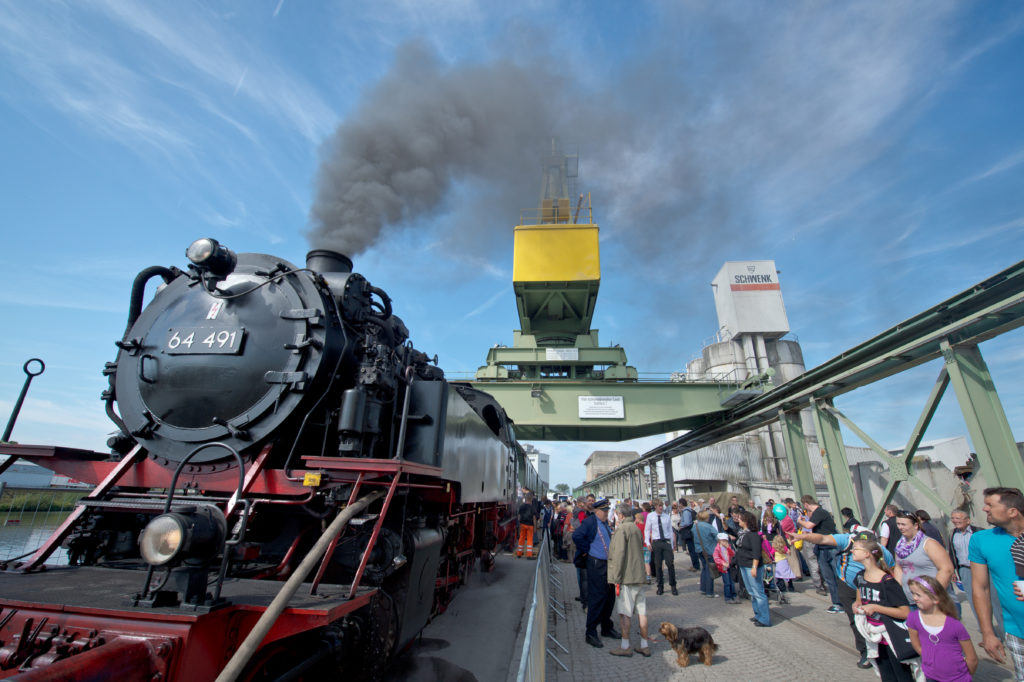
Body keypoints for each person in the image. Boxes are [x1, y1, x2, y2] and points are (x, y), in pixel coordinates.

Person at [792, 526, 899, 669]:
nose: (854, 549)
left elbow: (892, 570)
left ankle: (888, 650)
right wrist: (803, 537)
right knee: (856, 620)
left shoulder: (882, 552)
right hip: (848, 585)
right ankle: (865, 652)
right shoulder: (848, 540)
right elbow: (823, 538)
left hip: (872, 586)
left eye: (858, 547)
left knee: (878, 619)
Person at [969, 486, 1024, 679]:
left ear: (1012, 512)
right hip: (1016, 630)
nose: (984, 509)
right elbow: (980, 588)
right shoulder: (980, 540)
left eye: (990, 505)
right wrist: (988, 632)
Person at [852, 538, 913, 682]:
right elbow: (859, 600)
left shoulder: (887, 581)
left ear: (867, 554)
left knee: (902, 676)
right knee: (886, 675)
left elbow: (905, 612)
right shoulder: (860, 577)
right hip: (873, 635)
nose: (852, 551)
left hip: (891, 635)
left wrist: (876, 607)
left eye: (855, 548)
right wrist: (856, 605)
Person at [906, 575, 978, 682]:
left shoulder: (954, 624)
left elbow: (972, 658)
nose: (914, 598)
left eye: (918, 595)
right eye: (912, 593)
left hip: (958, 678)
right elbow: (916, 644)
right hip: (931, 676)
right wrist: (930, 659)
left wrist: (964, 676)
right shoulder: (913, 618)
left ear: (935, 599)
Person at [572, 498, 620, 648]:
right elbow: (577, 536)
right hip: (596, 564)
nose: (607, 513)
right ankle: (590, 632)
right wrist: (588, 550)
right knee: (597, 598)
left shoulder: (604, 522)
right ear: (597, 511)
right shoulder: (590, 522)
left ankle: (606, 627)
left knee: (609, 597)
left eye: (607, 511)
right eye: (604, 511)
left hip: (608, 564)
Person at [606, 504, 652, 658]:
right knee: (642, 612)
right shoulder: (636, 527)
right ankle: (644, 644)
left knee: (625, 612)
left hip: (627, 577)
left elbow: (619, 555)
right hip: (639, 576)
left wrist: (615, 577)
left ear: (620, 515)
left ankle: (625, 646)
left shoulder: (622, 530)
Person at [948, 509, 1003, 634]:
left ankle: (1005, 631)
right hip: (965, 570)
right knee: (975, 602)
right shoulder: (952, 534)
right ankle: (986, 632)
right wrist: (953, 571)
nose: (955, 521)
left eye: (958, 518)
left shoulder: (979, 532)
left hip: (984, 569)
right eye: (953, 518)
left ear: (968, 520)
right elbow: (952, 553)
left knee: (995, 600)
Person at [894, 510, 954, 601]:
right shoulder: (900, 546)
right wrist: (899, 590)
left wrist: (932, 595)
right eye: (898, 524)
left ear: (915, 525)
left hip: (935, 601)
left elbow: (947, 569)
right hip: (911, 601)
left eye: (903, 524)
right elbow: (898, 568)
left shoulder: (928, 543)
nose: (900, 527)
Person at [799, 495, 842, 612]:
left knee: (836, 576)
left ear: (806, 504)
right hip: (823, 548)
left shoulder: (819, 512)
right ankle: (837, 603)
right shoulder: (819, 513)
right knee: (830, 578)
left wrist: (799, 521)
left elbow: (808, 526)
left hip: (830, 548)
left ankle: (841, 602)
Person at [736, 510, 771, 627]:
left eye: (740, 518)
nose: (738, 519)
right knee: (752, 591)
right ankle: (758, 614)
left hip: (751, 566)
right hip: (743, 565)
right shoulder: (742, 533)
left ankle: (765, 619)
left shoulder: (753, 535)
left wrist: (754, 567)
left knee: (758, 592)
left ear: (746, 521)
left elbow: (756, 553)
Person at [644, 500, 677, 595]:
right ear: (655, 507)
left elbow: (670, 531)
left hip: (666, 541)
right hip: (656, 542)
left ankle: (673, 585)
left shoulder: (666, 517)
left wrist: (672, 544)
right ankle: (660, 586)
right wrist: (647, 542)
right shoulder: (651, 516)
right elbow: (647, 530)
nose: (661, 508)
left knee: (670, 563)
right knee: (658, 565)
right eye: (659, 506)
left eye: (661, 506)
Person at [694, 510, 719, 598]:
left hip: (699, 550)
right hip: (709, 550)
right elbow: (717, 537)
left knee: (704, 568)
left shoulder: (695, 526)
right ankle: (709, 591)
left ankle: (703, 588)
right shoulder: (709, 526)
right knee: (710, 570)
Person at [713, 532, 740, 604]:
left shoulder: (728, 547)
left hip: (730, 566)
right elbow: (716, 558)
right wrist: (722, 563)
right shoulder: (717, 549)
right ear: (719, 541)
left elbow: (733, 554)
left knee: (732, 582)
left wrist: (728, 548)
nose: (724, 542)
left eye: (726, 541)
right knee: (727, 582)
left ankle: (733, 595)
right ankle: (728, 597)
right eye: (723, 541)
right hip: (723, 568)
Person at [677, 498, 700, 571]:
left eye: (679, 503)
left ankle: (695, 566)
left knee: (691, 549)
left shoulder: (686, 511)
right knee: (692, 549)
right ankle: (695, 564)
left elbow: (687, 522)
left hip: (688, 532)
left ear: (681, 504)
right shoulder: (688, 510)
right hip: (690, 531)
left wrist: (680, 525)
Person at [516, 493, 537, 558]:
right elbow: (534, 518)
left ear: (525, 499)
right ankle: (529, 555)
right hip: (530, 525)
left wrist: (519, 525)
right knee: (530, 539)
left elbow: (519, 517)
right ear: (531, 499)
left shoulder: (521, 506)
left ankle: (519, 553)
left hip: (522, 524)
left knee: (521, 538)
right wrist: (535, 527)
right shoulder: (532, 507)